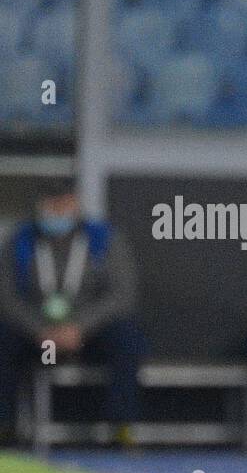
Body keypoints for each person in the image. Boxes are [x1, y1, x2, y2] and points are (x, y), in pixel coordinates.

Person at [0, 180, 143, 445]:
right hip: (41, 341)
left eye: (63, 204)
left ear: (75, 205)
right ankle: (5, 426)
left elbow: (122, 294)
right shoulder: (20, 241)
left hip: (85, 337)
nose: (57, 212)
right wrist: (39, 330)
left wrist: (79, 327)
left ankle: (119, 427)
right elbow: (7, 296)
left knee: (127, 337)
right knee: (4, 338)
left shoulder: (103, 239)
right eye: (51, 205)